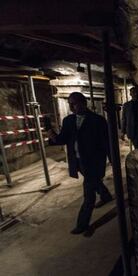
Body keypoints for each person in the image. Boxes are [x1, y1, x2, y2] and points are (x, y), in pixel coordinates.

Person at [48, 92, 113, 235]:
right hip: (77, 161)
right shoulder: (68, 120)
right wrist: (52, 135)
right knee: (93, 181)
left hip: (93, 162)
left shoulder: (98, 120)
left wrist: (112, 160)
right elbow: (63, 139)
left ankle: (82, 224)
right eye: (69, 104)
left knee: (88, 194)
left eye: (74, 103)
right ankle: (105, 195)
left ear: (84, 103)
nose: (71, 107)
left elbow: (106, 143)